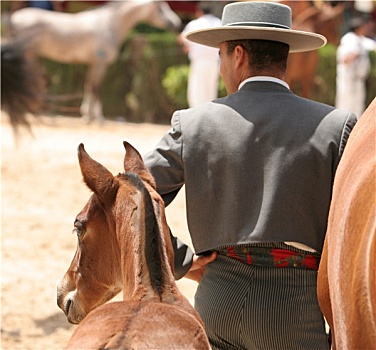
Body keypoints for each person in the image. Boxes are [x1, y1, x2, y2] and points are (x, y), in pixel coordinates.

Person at [143, 2, 357, 349]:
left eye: (221, 57)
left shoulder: (193, 123)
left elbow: (131, 193)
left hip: (217, 298)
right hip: (295, 305)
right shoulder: (336, 127)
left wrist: (181, 260)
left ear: (238, 55)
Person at [179, 4, 222, 107]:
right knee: (211, 89)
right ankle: (209, 113)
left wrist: (188, 46)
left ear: (199, 12)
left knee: (197, 90)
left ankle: (198, 114)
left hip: (199, 62)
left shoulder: (195, 24)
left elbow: (181, 38)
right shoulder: (218, 23)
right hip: (214, 62)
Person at [336, 17, 376, 118]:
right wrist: (354, 54)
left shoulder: (360, 39)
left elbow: (372, 45)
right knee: (345, 107)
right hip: (348, 81)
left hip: (359, 80)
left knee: (358, 109)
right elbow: (344, 59)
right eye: (363, 27)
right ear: (358, 28)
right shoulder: (348, 38)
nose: (365, 29)